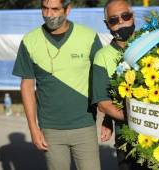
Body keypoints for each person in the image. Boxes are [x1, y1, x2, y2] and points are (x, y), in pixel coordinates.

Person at [12, 0, 124, 170]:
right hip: (50, 129)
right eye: (45, 9)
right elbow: (27, 85)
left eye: (55, 9)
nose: (49, 14)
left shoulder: (88, 36)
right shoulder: (30, 40)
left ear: (67, 9)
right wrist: (33, 129)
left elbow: (103, 81)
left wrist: (108, 119)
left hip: (85, 126)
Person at [92, 0, 148, 169]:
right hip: (128, 137)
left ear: (133, 16)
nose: (121, 22)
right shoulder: (102, 57)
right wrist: (141, 119)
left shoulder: (152, 44)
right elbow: (104, 103)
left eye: (125, 16)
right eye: (114, 20)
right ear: (107, 24)